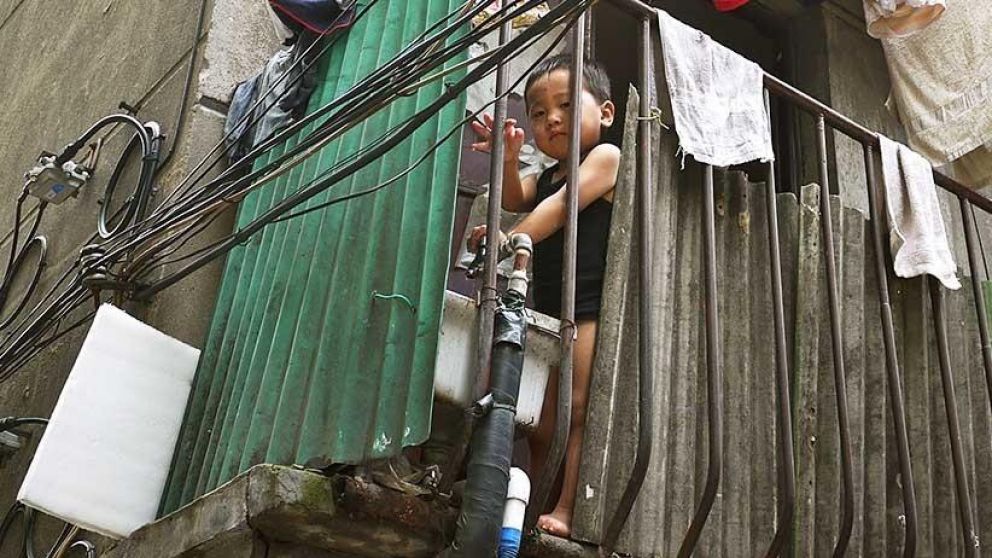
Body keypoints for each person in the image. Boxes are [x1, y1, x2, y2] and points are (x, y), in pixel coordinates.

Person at [467, 53, 618, 538]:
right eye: (537, 111)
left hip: (588, 306)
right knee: (543, 421)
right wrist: (510, 161)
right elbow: (515, 199)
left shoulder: (606, 158)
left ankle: (569, 508)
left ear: (607, 113)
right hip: (548, 307)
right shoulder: (548, 173)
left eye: (567, 104)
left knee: (577, 409)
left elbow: (558, 209)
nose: (551, 117)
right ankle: (533, 506)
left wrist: (503, 241)